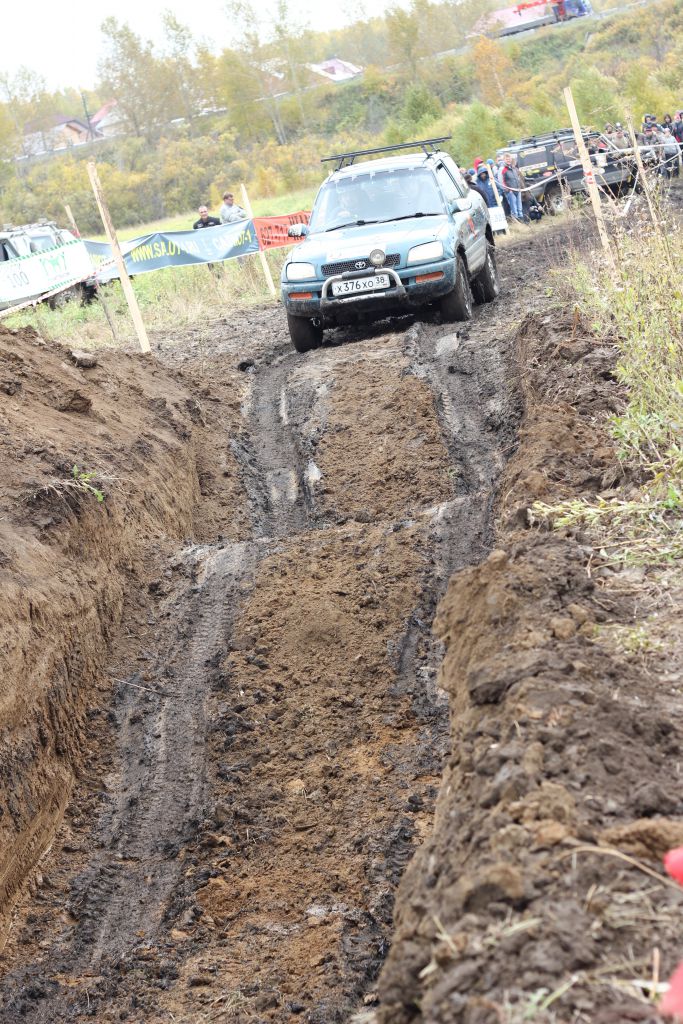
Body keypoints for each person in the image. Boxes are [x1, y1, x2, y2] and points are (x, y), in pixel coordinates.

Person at [501, 152, 524, 221]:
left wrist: (519, 187)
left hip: (517, 190)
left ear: (511, 159)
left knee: (520, 208)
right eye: (506, 159)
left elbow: (517, 178)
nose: (508, 160)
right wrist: (508, 190)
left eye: (509, 159)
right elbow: (502, 182)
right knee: (514, 209)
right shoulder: (503, 169)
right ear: (504, 160)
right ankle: (516, 223)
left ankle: (522, 221)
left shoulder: (513, 168)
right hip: (511, 192)